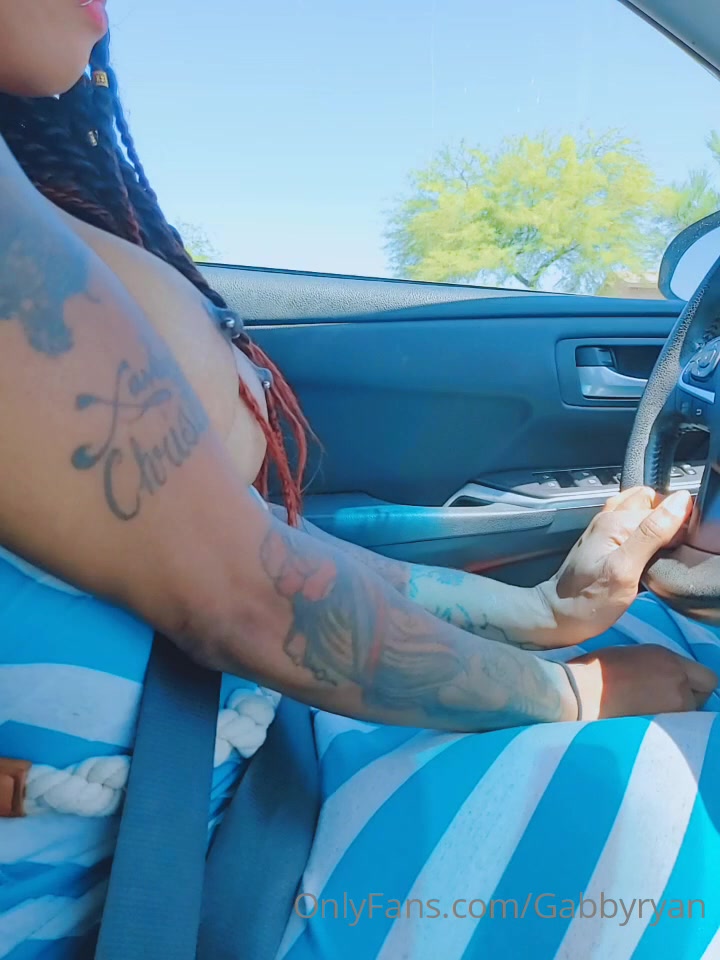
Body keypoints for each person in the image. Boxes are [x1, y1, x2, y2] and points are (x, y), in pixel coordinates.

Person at [0, 4, 718, 958]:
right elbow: (247, 599)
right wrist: (571, 695)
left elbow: (255, 551)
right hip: (199, 883)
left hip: (252, 768)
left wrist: (541, 617)